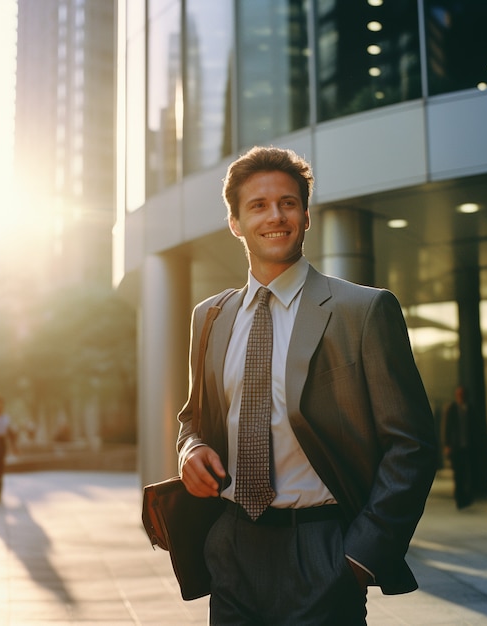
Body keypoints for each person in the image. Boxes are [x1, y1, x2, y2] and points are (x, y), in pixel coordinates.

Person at [177, 146, 437, 624]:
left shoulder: (363, 311)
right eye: (258, 205)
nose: (275, 216)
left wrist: (359, 558)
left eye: (288, 203)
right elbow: (194, 417)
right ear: (235, 222)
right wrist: (190, 449)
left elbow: (413, 446)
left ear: (306, 216)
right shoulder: (209, 317)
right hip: (232, 547)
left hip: (322, 548)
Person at [443, 386, 479, 509]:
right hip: (456, 446)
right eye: (458, 394)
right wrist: (447, 444)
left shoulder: (470, 409)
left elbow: (475, 428)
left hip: (468, 446)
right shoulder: (451, 409)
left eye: (462, 394)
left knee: (468, 473)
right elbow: (446, 428)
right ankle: (460, 498)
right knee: (458, 473)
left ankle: (467, 496)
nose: (460, 396)